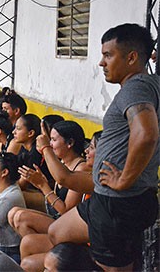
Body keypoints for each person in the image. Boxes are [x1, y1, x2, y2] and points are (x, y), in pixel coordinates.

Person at [49, 23, 160, 271]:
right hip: (108, 200)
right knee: (57, 232)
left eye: (108, 55)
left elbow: (146, 135)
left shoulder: (136, 88)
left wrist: (123, 180)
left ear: (132, 58)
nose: (101, 63)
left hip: (118, 202)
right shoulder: (150, 85)